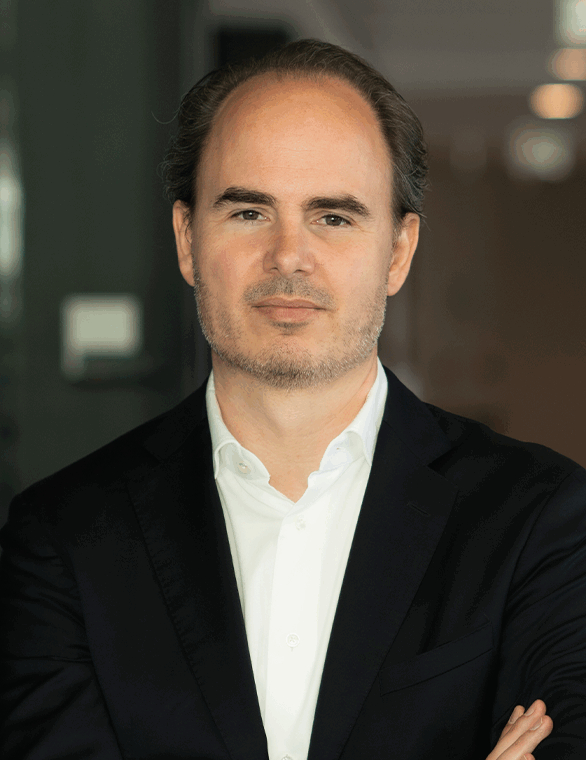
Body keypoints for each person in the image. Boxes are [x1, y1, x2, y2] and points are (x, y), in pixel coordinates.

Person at [0, 37, 584, 760]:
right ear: (187, 239)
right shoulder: (62, 538)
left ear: (398, 252)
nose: (288, 256)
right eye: (249, 212)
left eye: (333, 217)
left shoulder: (542, 520)